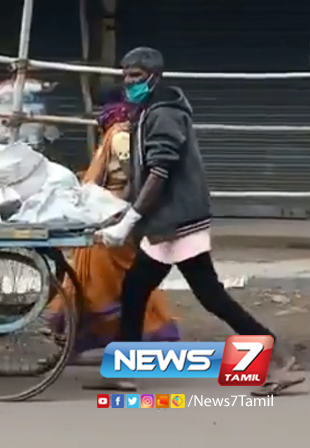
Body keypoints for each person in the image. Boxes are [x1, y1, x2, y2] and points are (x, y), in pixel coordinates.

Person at [94, 47, 304, 395]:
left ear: (154, 76)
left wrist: (130, 219)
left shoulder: (164, 114)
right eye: (125, 75)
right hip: (167, 221)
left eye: (134, 75)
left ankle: (275, 361)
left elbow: (160, 171)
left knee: (207, 295)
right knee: (139, 289)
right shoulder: (148, 110)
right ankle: (123, 371)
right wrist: (122, 209)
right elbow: (143, 171)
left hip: (177, 221)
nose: (127, 82)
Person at [47, 86, 179, 377]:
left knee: (104, 285)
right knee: (107, 283)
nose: (97, 114)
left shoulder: (120, 135)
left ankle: (128, 349)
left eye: (100, 107)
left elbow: (136, 178)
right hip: (106, 216)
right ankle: (97, 347)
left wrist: (115, 209)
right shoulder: (119, 133)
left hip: (113, 219)